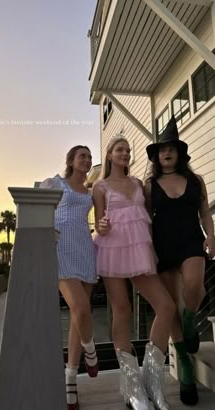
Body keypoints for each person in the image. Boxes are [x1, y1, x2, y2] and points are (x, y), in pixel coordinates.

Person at [93, 136, 176, 410]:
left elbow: (148, 217)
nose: (126, 154)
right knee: (122, 310)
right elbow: (99, 223)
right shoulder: (100, 186)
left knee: (165, 306)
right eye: (120, 150)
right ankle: (133, 388)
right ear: (109, 154)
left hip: (140, 248)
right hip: (113, 248)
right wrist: (102, 226)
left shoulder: (139, 183)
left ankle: (152, 381)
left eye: (128, 150)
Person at [144, 115, 215, 406]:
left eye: (171, 148)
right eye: (162, 149)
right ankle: (184, 363)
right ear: (157, 156)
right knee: (170, 305)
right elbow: (146, 219)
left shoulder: (195, 181)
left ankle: (190, 320)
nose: (167, 152)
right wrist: (147, 249)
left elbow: (205, 214)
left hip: (190, 241)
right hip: (162, 246)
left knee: (194, 286)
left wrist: (211, 236)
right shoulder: (150, 185)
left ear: (180, 152)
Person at [40, 145, 98, 410]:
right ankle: (91, 349)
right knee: (80, 307)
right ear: (71, 161)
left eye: (89, 156)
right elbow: (35, 206)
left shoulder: (90, 191)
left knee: (78, 317)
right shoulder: (55, 182)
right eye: (82, 156)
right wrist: (45, 230)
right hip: (61, 249)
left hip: (85, 248)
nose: (86, 160)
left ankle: (71, 380)